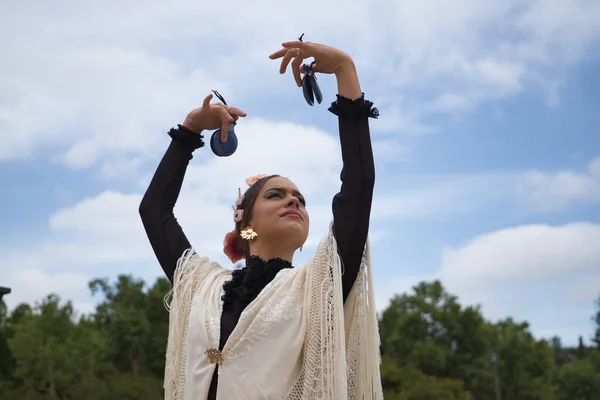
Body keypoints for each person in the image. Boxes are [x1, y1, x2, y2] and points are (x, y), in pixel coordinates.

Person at [139, 39, 383, 400]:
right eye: (276, 194)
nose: (293, 201)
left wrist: (346, 70)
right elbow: (154, 210)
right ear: (244, 223)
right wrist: (190, 129)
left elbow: (358, 187)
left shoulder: (320, 284)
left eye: (300, 199)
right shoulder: (200, 284)